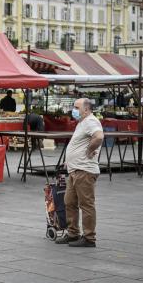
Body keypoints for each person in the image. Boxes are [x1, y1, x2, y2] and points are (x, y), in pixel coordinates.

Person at [56, 98, 103, 247]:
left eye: (76, 107)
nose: (73, 110)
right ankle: (73, 233)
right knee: (69, 202)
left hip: (85, 170)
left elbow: (99, 137)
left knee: (86, 205)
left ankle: (89, 238)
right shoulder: (82, 123)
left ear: (86, 109)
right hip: (75, 169)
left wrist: (90, 150)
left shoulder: (90, 121)